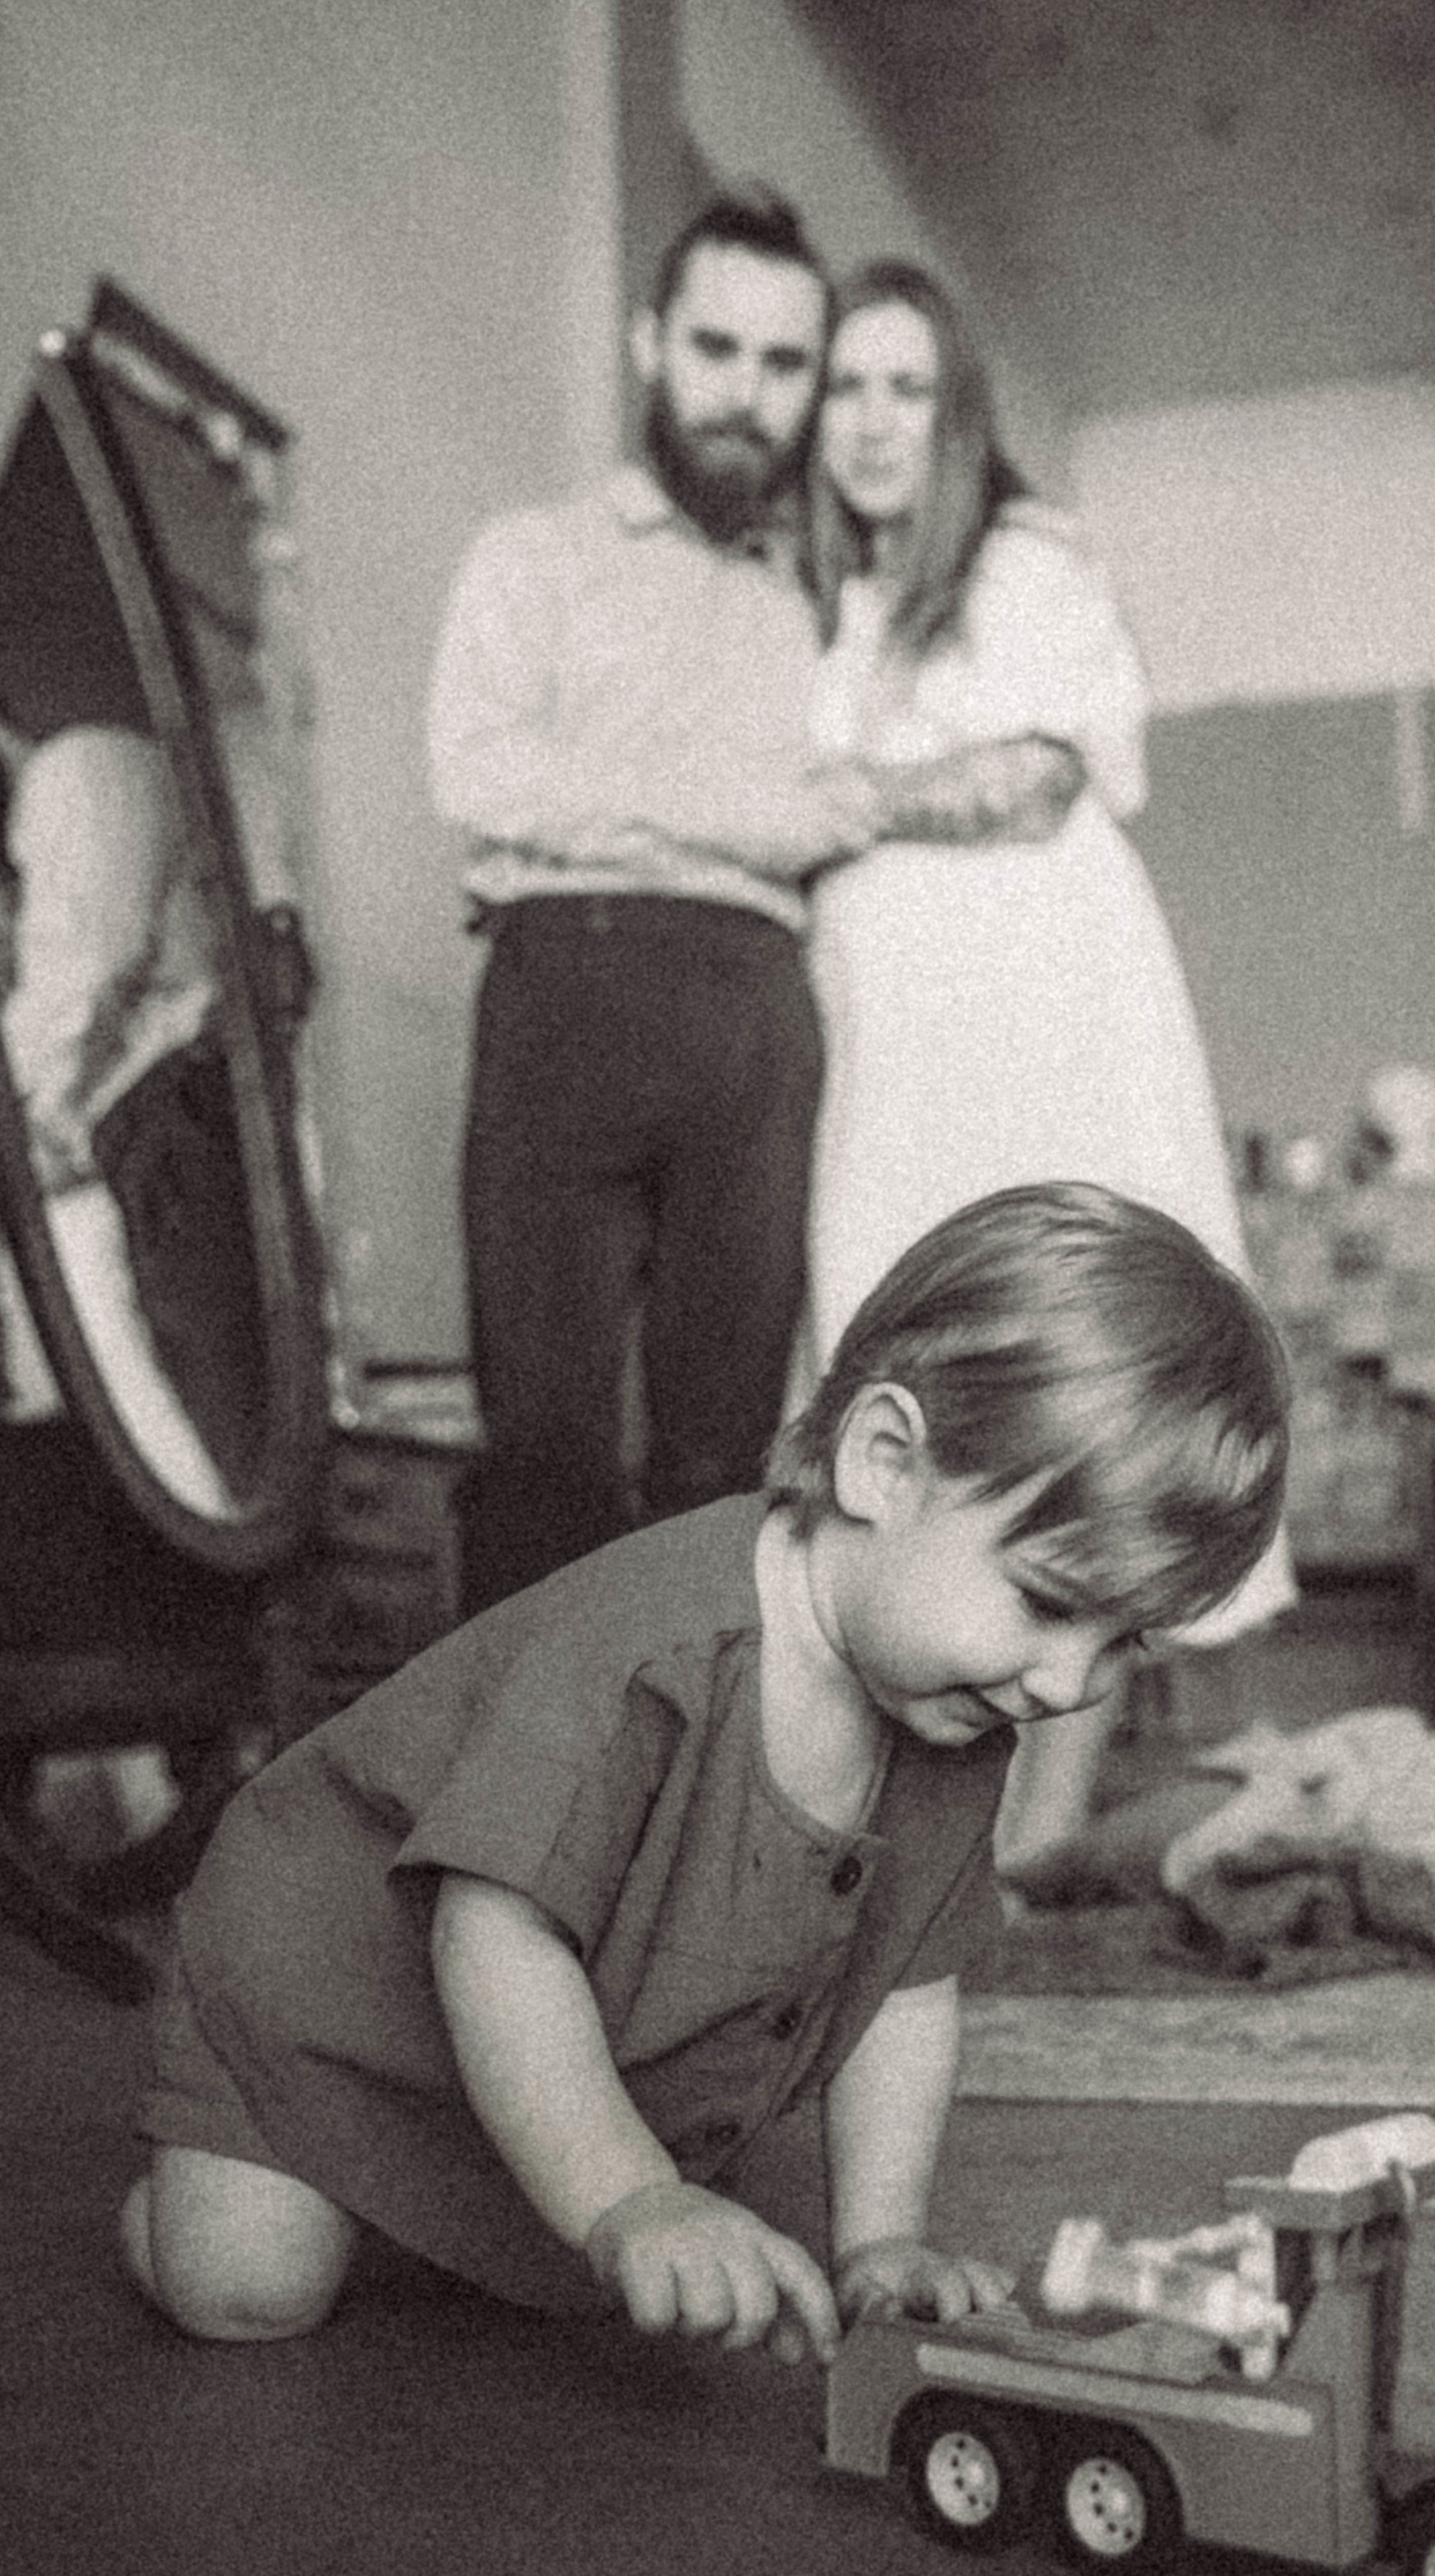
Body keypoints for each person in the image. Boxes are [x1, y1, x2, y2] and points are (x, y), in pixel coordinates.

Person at [120, 1181, 1290, 2358]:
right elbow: (492, 1937)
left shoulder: (955, 1713)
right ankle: (212, 2178)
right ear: (884, 1463)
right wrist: (633, 2195)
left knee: (565, 2240)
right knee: (248, 2291)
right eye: (1048, 1603)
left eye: (1121, 1641)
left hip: (547, 2039)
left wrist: (878, 2242)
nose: (1065, 1684)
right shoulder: (649, 1654)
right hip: (331, 1995)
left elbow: (905, 1985)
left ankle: (482, 2183)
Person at [799, 261, 1296, 1850]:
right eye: (845, 386)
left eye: (906, 388)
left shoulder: (1023, 561)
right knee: (902, 1366)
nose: (869, 423)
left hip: (1027, 1006)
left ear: (956, 416)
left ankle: (1037, 1829)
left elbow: (1026, 782)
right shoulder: (819, 601)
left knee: (1073, 1361)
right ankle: (917, 1821)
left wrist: (807, 800)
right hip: (879, 1037)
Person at [425, 187, 874, 1617]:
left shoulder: (819, 608)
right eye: (717, 348)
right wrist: (751, 817)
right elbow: (481, 779)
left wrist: (617, 792)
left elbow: (853, 814)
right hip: (569, 992)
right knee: (544, 1452)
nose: (746, 395)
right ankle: (523, 1836)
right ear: (650, 347)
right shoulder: (531, 557)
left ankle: (682, 1830)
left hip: (755, 1020)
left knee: (723, 1475)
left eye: (784, 365)